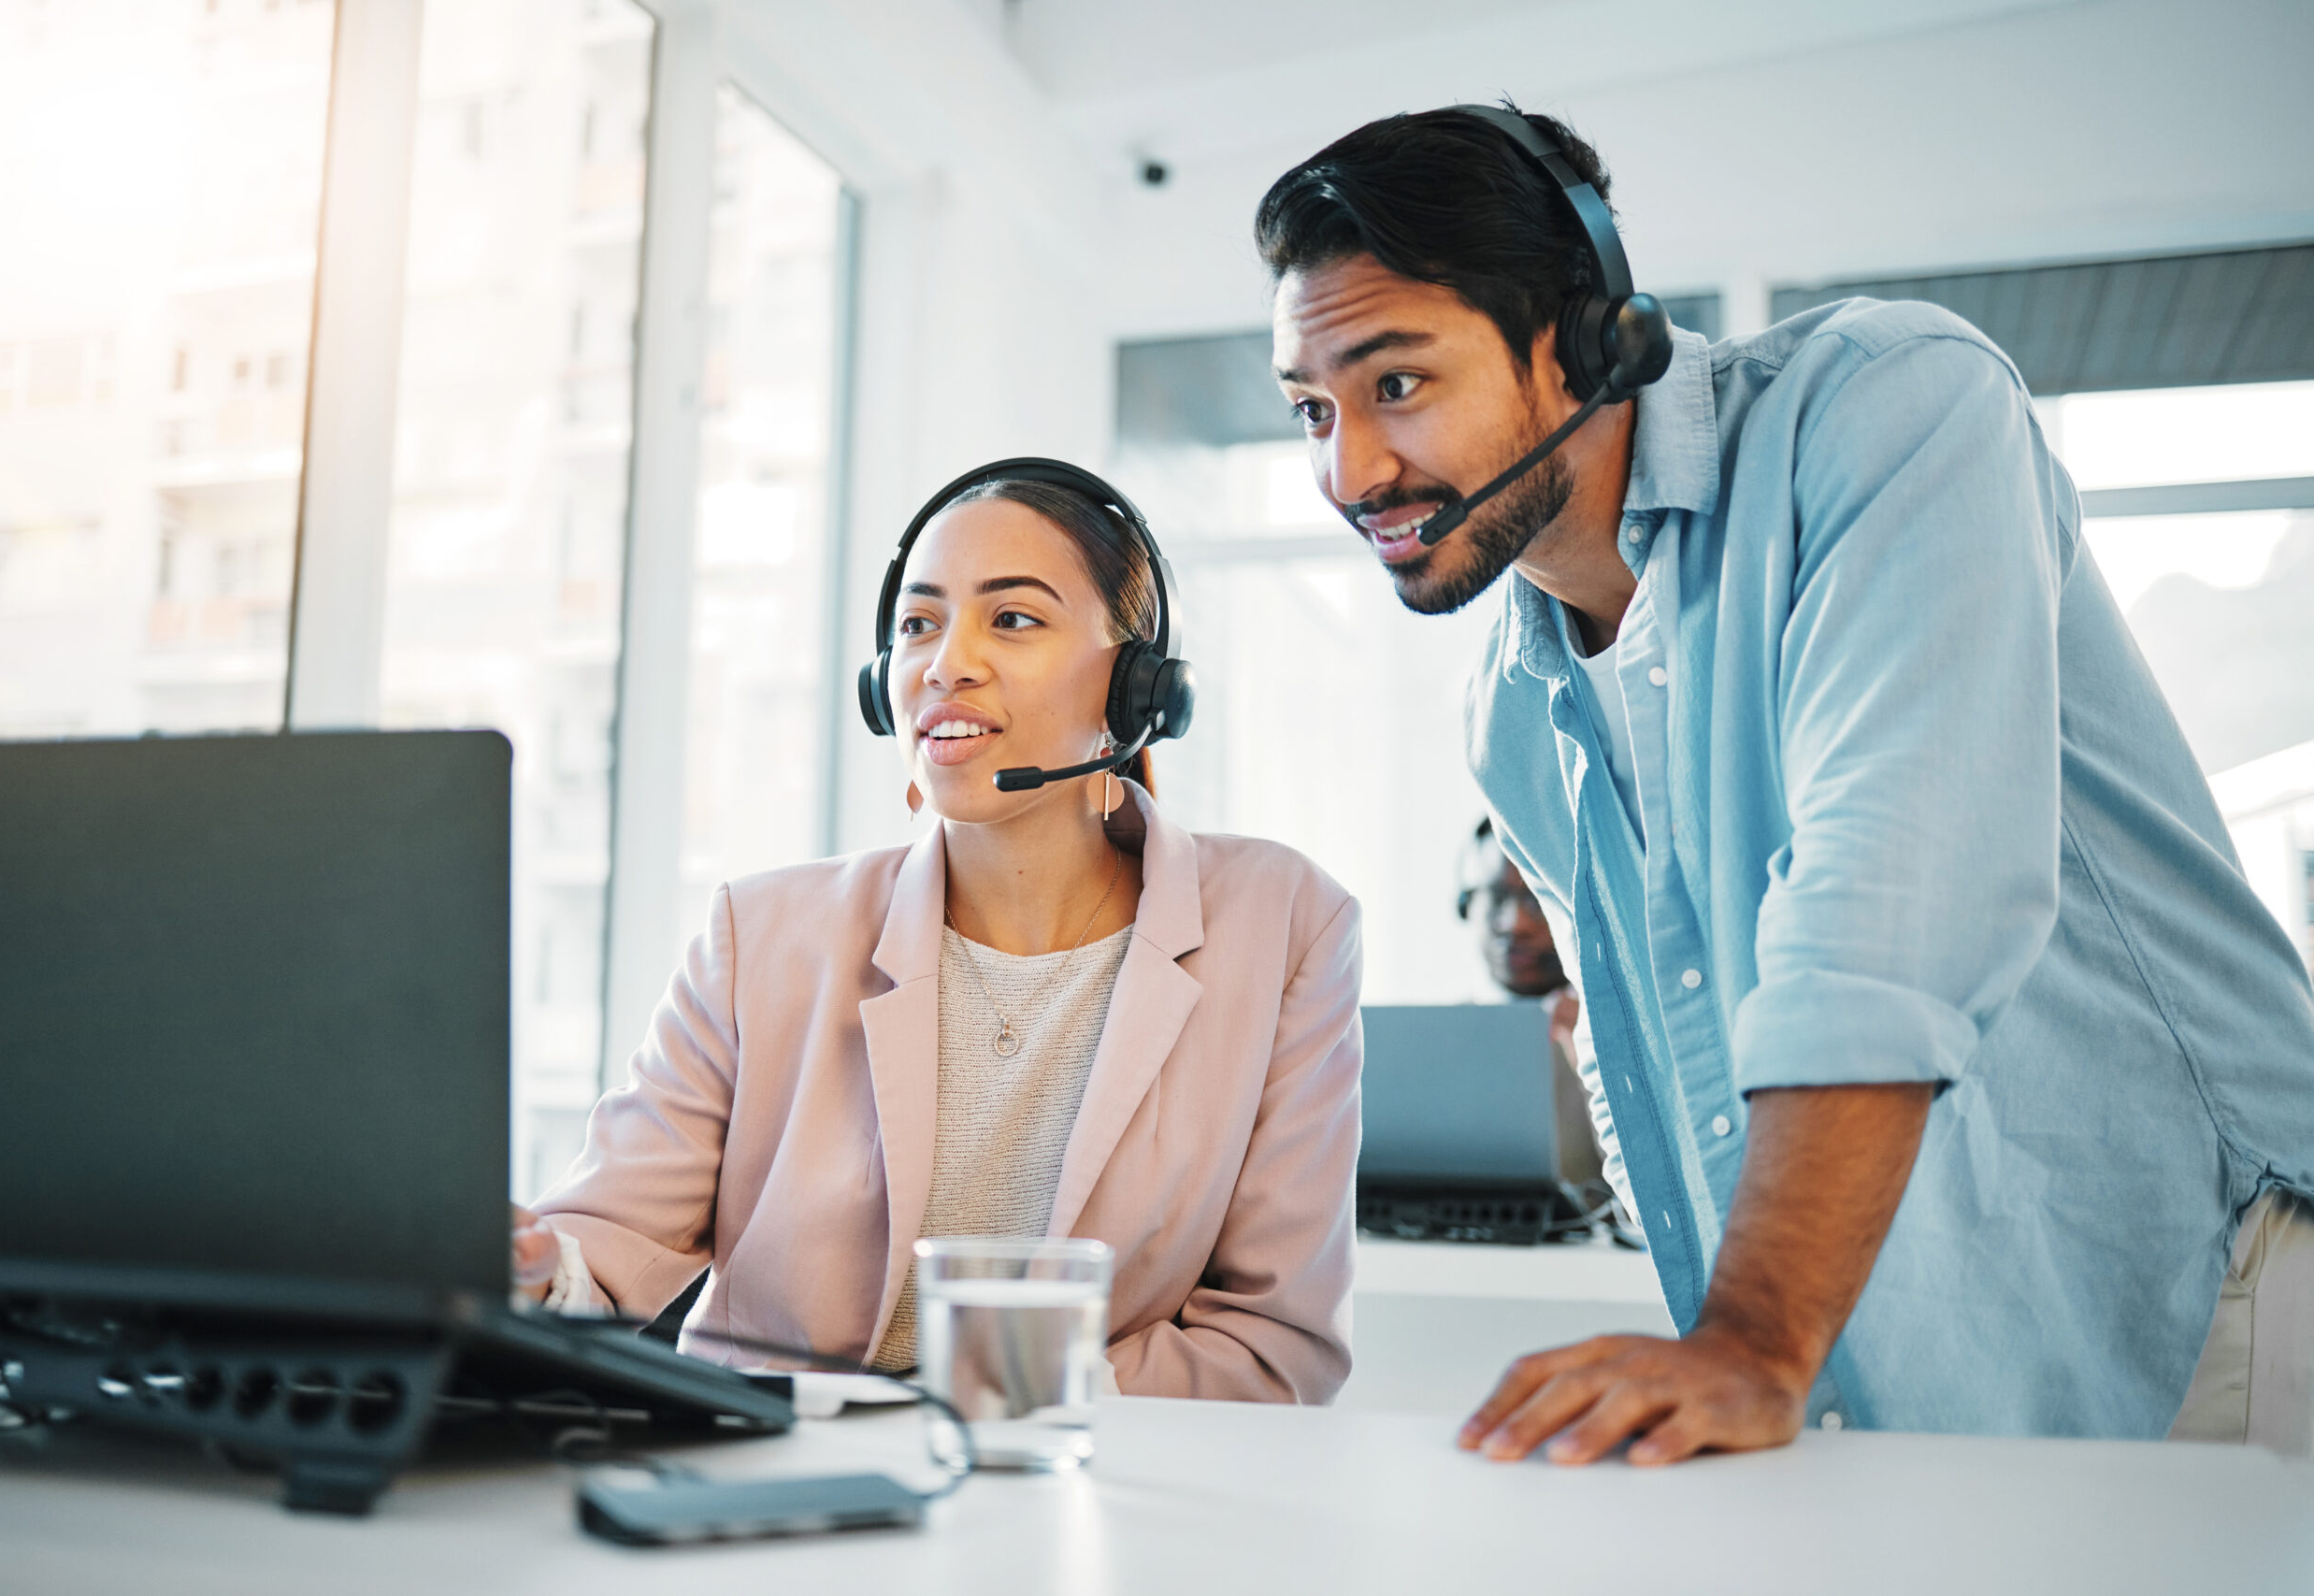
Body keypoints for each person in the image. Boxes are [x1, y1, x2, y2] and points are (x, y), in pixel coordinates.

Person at [1257, 104, 2314, 1461]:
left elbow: (1889, 896)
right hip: (1900, 1365)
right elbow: (1653, 1065)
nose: (1348, 471)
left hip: (2194, 1289)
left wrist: (1755, 1333)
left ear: (1588, 339)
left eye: (1396, 384)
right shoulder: (1514, 709)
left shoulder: (1886, 410)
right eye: (1309, 409)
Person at [512, 461, 1363, 1402]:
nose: (946, 662)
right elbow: (600, 1249)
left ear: (1134, 686)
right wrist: (529, 1266)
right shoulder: (758, 935)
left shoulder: (1282, 923)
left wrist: (980, 1404)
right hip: (780, 1492)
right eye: (918, 624)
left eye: (1013, 619)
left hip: (1088, 1498)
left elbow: (1272, 1349)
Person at [1457, 818, 1596, 1192]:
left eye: (1537, 900)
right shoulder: (1437, 1043)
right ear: (1466, 905)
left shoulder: (1617, 1040)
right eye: (1497, 898)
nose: (1516, 923)